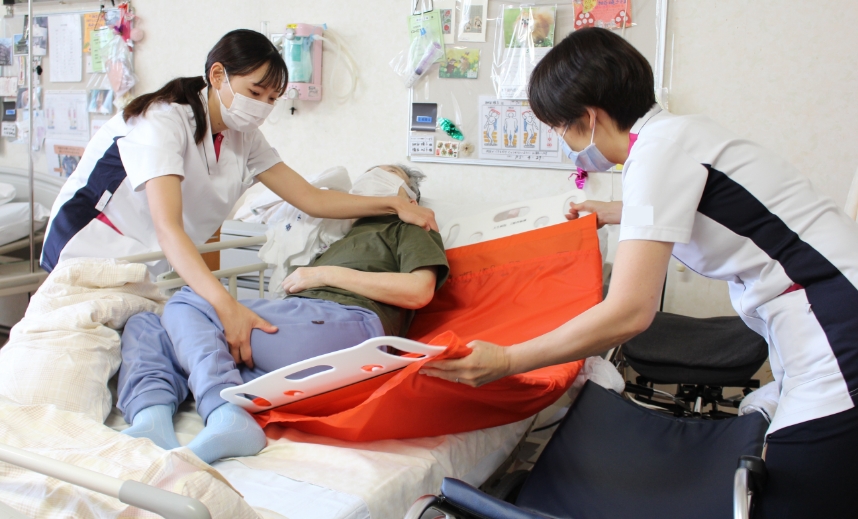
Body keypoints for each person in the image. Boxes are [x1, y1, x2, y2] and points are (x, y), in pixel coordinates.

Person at [420, 28, 858, 517]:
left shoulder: (658, 151)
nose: (561, 141)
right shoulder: (677, 137)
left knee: (798, 496)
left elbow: (630, 311)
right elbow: (699, 204)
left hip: (836, 329)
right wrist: (611, 211)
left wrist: (507, 361)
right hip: (824, 316)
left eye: (558, 128)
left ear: (588, 118)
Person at [41, 30, 437, 371]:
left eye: (272, 98)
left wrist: (392, 204)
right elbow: (168, 226)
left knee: (129, 349)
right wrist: (224, 304)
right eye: (255, 92)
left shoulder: (243, 138)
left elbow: (312, 198)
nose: (262, 107)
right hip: (88, 247)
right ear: (218, 75)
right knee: (75, 354)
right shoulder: (163, 120)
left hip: (145, 260)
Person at [116, 165, 450, 463]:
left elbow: (418, 290)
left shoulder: (410, 225)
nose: (372, 177)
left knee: (189, 301)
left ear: (411, 199)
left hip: (345, 321)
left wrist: (321, 274)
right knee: (145, 322)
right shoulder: (339, 235)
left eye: (389, 173)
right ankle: (151, 418)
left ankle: (223, 412)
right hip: (297, 328)